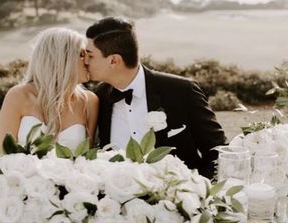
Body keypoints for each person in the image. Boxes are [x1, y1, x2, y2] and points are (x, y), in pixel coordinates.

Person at [85, 17, 226, 179]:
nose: (85, 61)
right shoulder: (98, 97)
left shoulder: (182, 91)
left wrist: (199, 193)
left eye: (90, 55)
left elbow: (218, 152)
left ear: (114, 60)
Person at [0, 28, 99, 152]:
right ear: (61, 58)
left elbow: (88, 156)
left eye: (89, 55)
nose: (88, 61)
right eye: (82, 55)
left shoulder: (89, 102)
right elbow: (2, 154)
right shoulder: (18, 96)